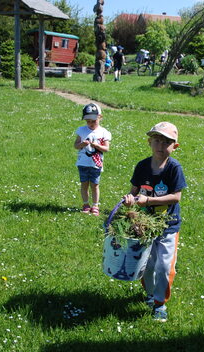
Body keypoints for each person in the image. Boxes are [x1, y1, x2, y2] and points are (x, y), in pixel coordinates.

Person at [123, 122, 187, 322]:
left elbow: (176, 197)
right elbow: (133, 192)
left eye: (167, 142)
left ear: (174, 146)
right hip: (145, 225)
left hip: (168, 226)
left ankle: (160, 303)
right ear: (149, 142)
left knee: (164, 267)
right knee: (147, 265)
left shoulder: (174, 168)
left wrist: (149, 200)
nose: (161, 145)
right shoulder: (142, 166)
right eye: (157, 140)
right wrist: (129, 201)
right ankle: (150, 294)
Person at [74, 103, 111, 216]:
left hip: (96, 164)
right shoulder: (82, 130)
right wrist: (82, 144)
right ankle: (85, 204)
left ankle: (95, 205)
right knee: (84, 184)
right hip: (83, 163)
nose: (90, 124)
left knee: (95, 185)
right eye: (88, 121)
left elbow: (106, 148)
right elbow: (76, 145)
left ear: (100, 117)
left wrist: (97, 146)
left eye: (93, 121)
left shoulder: (104, 132)